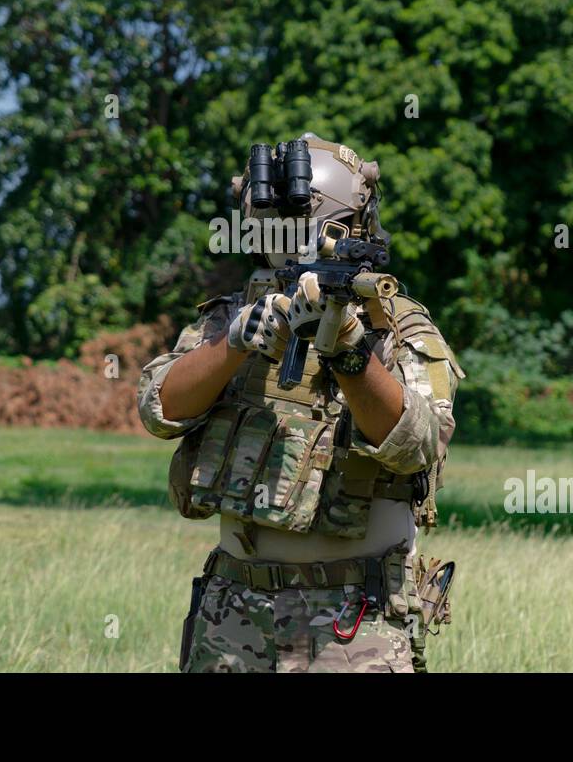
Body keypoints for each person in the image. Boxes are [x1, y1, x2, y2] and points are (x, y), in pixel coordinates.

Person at [137, 134, 464, 672]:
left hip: (351, 618)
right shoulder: (233, 317)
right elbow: (158, 408)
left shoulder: (395, 325)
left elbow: (418, 445)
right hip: (233, 608)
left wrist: (350, 352)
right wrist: (234, 343)